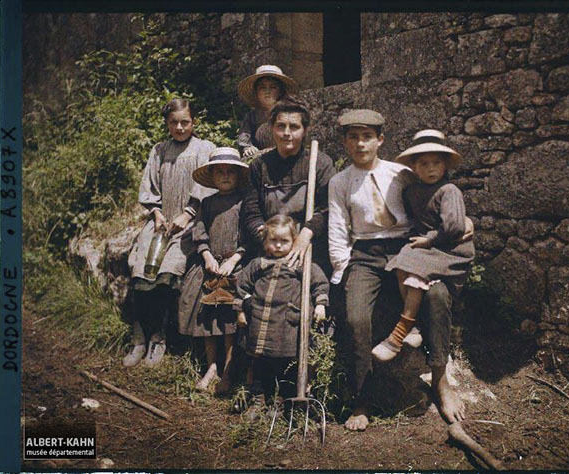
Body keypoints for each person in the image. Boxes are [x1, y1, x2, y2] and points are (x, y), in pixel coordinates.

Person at [328, 113, 472, 430]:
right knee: (356, 318)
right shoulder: (339, 182)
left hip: (408, 247)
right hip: (365, 254)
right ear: (345, 143)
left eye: (368, 136)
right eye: (353, 137)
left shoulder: (402, 174)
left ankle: (440, 382)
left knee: (436, 295)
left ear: (381, 140)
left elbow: (436, 203)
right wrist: (342, 273)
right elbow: (338, 230)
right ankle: (362, 400)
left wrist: (463, 224)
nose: (360, 143)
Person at [373, 129, 475, 423]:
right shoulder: (411, 191)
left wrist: (429, 241)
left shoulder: (449, 190)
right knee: (403, 261)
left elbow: (455, 228)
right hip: (426, 252)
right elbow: (408, 223)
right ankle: (415, 327)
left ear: (445, 165)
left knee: (414, 265)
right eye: (423, 164)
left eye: (436, 163)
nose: (430, 169)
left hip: (452, 253)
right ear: (413, 167)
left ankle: (402, 331)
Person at [124, 98, 215, 368]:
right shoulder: (159, 150)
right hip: (161, 222)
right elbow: (149, 189)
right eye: (174, 122)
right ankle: (139, 337)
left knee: (167, 273)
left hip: (189, 224)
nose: (179, 127)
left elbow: (207, 188)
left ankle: (159, 339)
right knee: (140, 268)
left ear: (193, 122)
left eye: (185, 122)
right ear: (167, 123)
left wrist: (187, 213)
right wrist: (158, 214)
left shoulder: (204, 149)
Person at [234, 214, 329, 407]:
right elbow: (242, 287)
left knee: (286, 364)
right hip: (261, 322)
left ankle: (280, 401)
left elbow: (319, 283)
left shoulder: (300, 263)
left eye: (284, 241)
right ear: (264, 242)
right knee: (259, 362)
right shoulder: (257, 264)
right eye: (273, 241)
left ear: (294, 241)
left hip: (287, 324)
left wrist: (320, 304)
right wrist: (240, 311)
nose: (278, 245)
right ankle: (258, 399)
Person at [177, 147, 248, 394]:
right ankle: (212, 366)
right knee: (208, 317)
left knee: (229, 320)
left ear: (238, 176)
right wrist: (206, 256)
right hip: (210, 266)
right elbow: (199, 232)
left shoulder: (244, 202)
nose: (225, 176)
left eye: (230, 172)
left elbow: (249, 236)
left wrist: (234, 260)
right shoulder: (207, 204)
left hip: (233, 267)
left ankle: (228, 371)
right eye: (220, 173)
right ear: (212, 176)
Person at [241, 95, 336, 273]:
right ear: (271, 128)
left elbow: (329, 207)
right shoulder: (259, 167)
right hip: (270, 250)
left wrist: (307, 233)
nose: (287, 133)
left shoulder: (319, 164)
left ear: (305, 130)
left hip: (311, 250)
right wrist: (267, 238)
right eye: (280, 126)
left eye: (294, 127)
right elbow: (251, 212)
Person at [236, 65, 297, 159]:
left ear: (280, 91)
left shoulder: (289, 113)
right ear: (256, 92)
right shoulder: (251, 116)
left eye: (273, 87)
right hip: (259, 158)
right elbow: (244, 138)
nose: (267, 91)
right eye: (262, 87)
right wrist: (248, 148)